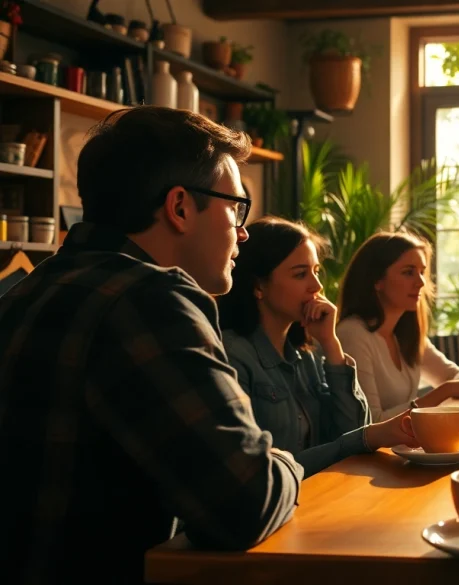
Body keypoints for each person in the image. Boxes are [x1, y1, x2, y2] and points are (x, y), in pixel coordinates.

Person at [0, 107, 300, 584]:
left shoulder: (21, 294)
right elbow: (247, 503)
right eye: (236, 208)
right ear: (180, 207)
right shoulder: (150, 301)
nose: (244, 231)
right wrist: (286, 462)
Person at [217, 217, 417, 476]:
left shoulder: (306, 354)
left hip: (321, 496)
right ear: (258, 286)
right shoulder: (233, 356)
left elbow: (353, 433)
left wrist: (331, 344)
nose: (317, 286)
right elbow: (264, 471)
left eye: (316, 271)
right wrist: (365, 438)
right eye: (301, 274)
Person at [336, 232, 459, 421]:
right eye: (408, 272)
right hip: (375, 451)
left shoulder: (403, 334)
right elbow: (372, 423)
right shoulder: (353, 334)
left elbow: (452, 374)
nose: (421, 282)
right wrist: (446, 391)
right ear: (377, 281)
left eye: (422, 272)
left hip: (407, 447)